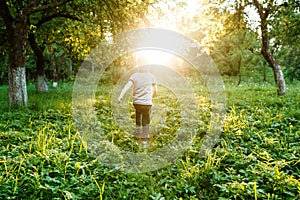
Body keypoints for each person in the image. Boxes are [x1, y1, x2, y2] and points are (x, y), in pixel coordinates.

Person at [118, 66, 157, 147]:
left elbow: (127, 86)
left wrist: (121, 96)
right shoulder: (151, 76)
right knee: (146, 121)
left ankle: (137, 135)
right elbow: (155, 90)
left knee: (138, 115)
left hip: (137, 103)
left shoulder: (134, 75)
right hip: (147, 103)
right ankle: (144, 142)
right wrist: (152, 96)